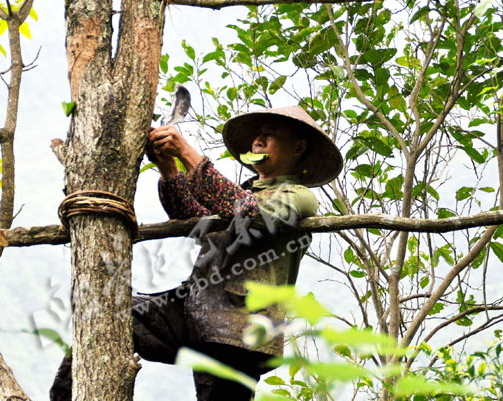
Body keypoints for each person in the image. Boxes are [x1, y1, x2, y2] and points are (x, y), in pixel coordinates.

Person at [50, 106, 343, 401]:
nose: (259, 140)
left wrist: (186, 152)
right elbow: (192, 218)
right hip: (197, 313)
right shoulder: (244, 192)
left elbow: (243, 210)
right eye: (258, 134)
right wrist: (168, 167)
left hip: (242, 331)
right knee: (112, 311)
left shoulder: (299, 196)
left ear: (298, 148)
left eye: (272, 134)